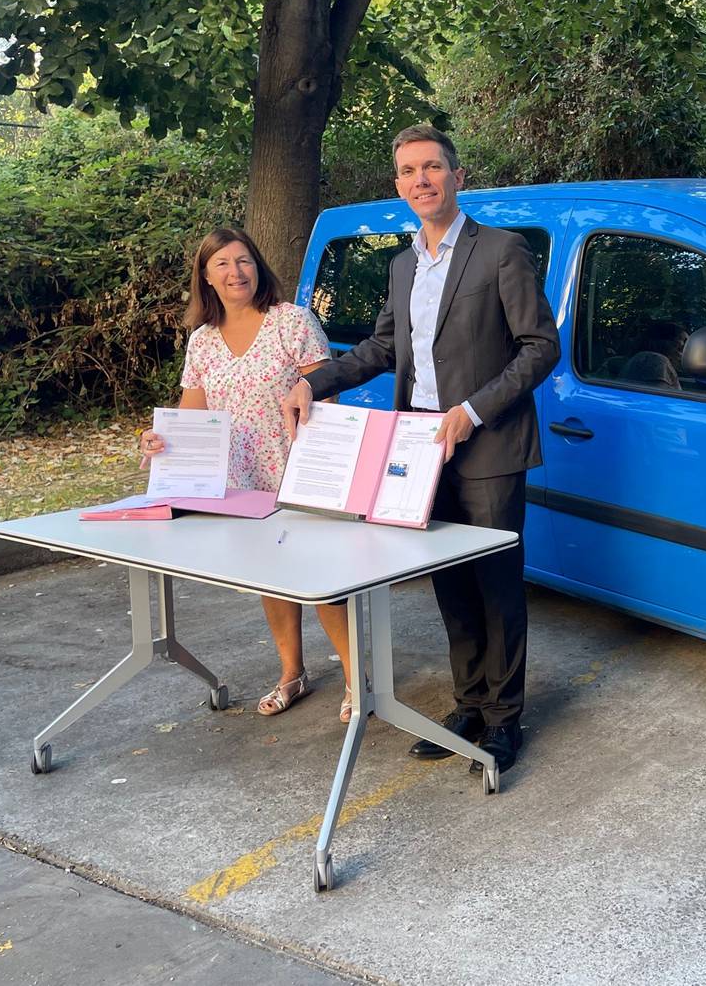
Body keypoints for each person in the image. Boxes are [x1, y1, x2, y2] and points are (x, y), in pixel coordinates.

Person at [280, 125, 559, 776]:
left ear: (457, 177)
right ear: (399, 184)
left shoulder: (500, 251)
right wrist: (311, 382)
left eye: (432, 166)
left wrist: (472, 410)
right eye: (408, 171)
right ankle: (468, 705)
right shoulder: (403, 264)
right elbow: (383, 348)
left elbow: (541, 346)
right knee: (450, 585)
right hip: (419, 455)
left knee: (495, 587)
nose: (421, 179)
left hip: (487, 446)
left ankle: (504, 719)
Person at [140, 228, 359, 722]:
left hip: (300, 475)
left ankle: (355, 679)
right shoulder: (202, 342)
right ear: (206, 277)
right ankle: (292, 673)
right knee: (273, 579)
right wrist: (157, 440)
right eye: (222, 264)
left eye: (243, 261)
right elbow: (191, 418)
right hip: (241, 486)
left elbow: (328, 394)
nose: (235, 272)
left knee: (321, 581)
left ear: (257, 267)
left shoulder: (291, 323)